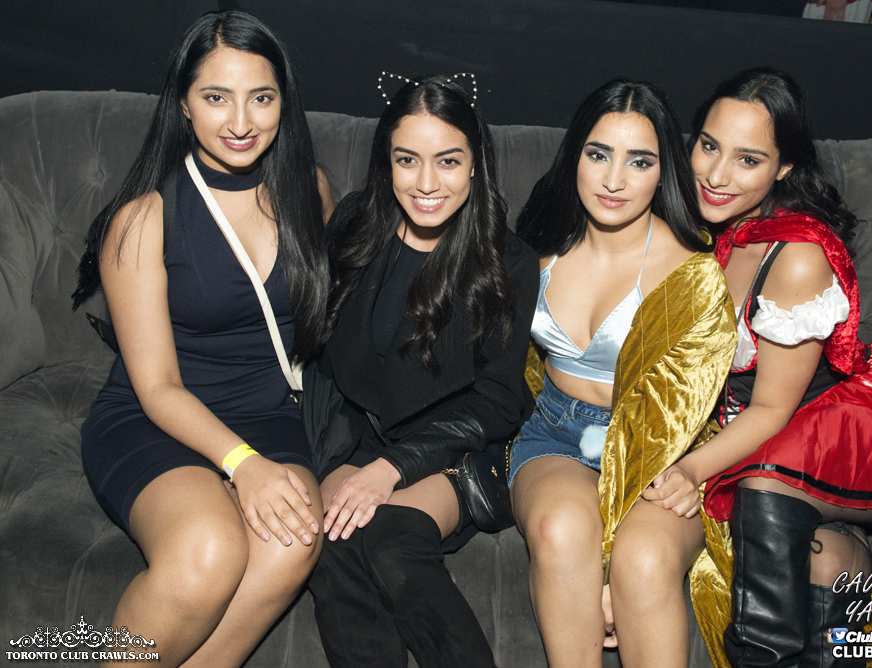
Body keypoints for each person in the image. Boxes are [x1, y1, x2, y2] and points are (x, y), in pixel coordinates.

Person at [687, 67, 872, 667]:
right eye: (708, 145)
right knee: (820, 562)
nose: (717, 175)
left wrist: (690, 468)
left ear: (784, 168)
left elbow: (772, 409)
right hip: (755, 430)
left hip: (835, 427)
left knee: (764, 487)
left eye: (748, 160)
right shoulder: (698, 221)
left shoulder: (797, 256)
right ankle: (845, 556)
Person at [71, 11, 333, 667]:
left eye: (261, 97)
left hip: (271, 414)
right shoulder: (143, 220)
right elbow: (157, 386)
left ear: (284, 102)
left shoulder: (310, 190)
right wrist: (244, 465)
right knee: (208, 550)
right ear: (184, 104)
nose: (241, 121)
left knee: (293, 541)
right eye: (217, 97)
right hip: (156, 417)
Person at [305, 74, 537, 668]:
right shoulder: (355, 223)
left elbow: (496, 402)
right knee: (333, 538)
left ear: (476, 163)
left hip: (454, 444)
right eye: (407, 160)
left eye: (448, 161)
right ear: (387, 161)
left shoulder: (507, 260)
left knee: (389, 539)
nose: (426, 183)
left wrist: (392, 469)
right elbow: (321, 354)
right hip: (358, 436)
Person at [511, 80, 737, 668]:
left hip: (659, 449)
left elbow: (671, 418)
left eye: (639, 162)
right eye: (598, 154)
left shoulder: (691, 274)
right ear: (575, 156)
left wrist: (608, 563)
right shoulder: (537, 243)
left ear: (664, 174)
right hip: (555, 432)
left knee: (643, 560)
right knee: (561, 531)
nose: (614, 180)